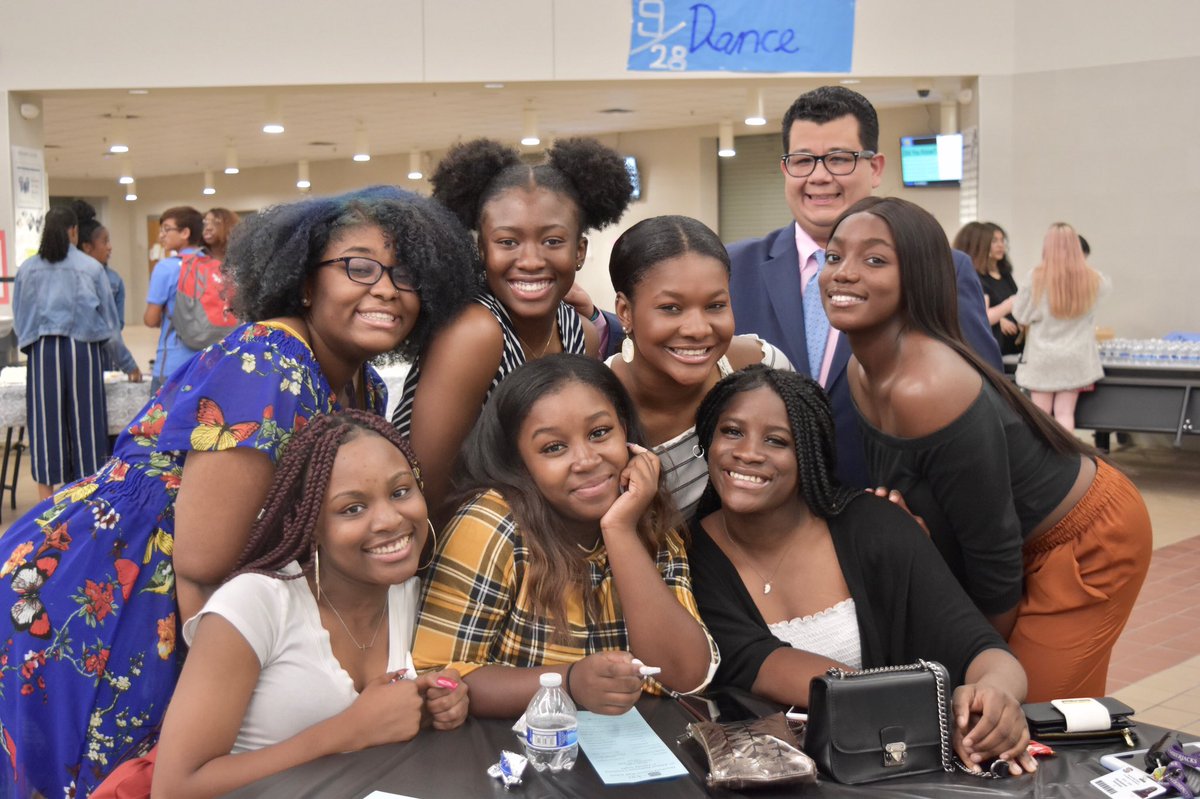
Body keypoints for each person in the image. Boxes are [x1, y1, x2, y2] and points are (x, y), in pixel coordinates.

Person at [0, 186, 478, 797]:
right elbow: (201, 564)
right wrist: (236, 703)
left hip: (167, 579)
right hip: (117, 581)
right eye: (359, 267)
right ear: (305, 281)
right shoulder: (272, 361)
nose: (385, 288)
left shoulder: (362, 386)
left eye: (406, 274)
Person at [819, 196, 1151, 702]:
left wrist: (985, 661)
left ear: (919, 277)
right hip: (1014, 537)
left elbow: (992, 555)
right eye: (834, 256)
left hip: (1088, 537)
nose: (842, 273)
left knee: (1031, 716)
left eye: (875, 259)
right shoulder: (860, 371)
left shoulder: (929, 386)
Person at [687, 366, 1035, 775]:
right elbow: (763, 665)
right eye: (731, 431)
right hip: (779, 780)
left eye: (776, 440)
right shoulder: (692, 557)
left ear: (809, 456)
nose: (747, 452)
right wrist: (934, 713)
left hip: (893, 771)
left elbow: (985, 650)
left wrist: (994, 701)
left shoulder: (875, 527)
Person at [146, 411, 468, 799]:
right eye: (353, 508)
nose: (389, 519)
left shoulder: (412, 596)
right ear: (312, 524)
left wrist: (436, 705)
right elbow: (175, 787)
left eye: (400, 492)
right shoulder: (255, 605)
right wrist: (350, 731)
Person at [727, 85, 1001, 489]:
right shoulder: (733, 267)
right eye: (803, 160)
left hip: (886, 512)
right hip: (759, 515)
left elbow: (982, 406)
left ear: (875, 168)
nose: (819, 176)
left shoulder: (937, 268)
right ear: (785, 170)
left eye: (839, 159)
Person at [413, 354, 718, 717]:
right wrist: (570, 683)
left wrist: (620, 530)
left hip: (626, 752)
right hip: (508, 754)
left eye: (599, 433)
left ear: (627, 433)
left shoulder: (645, 517)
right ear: (519, 463)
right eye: (553, 448)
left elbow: (685, 676)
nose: (586, 460)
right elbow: (439, 677)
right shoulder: (492, 522)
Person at [391, 137, 633, 520]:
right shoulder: (475, 332)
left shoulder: (580, 334)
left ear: (580, 251)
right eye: (508, 241)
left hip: (528, 542)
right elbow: (425, 484)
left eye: (552, 241)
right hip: (453, 544)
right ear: (482, 250)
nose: (531, 260)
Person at [605, 215, 792, 518]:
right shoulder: (592, 403)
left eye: (715, 306)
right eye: (671, 308)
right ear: (625, 312)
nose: (697, 329)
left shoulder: (764, 369)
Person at [12, 204, 122, 500]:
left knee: (46, 425)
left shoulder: (28, 268)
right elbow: (110, 324)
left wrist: (32, 343)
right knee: (86, 423)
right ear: (74, 231)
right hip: (83, 350)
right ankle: (87, 500)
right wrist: (125, 361)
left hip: (42, 350)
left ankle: (46, 504)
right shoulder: (90, 268)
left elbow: (20, 318)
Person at [1013, 223, 1110, 432]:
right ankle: (1068, 460)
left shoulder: (1035, 277)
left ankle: (1041, 461)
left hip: (1042, 357)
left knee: (1040, 414)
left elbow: (1020, 314)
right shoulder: (1095, 279)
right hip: (1076, 357)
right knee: (1066, 413)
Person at [74, 199, 142, 382]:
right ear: (87, 246)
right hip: (100, 356)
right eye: (105, 241)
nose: (110, 247)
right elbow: (113, 329)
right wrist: (128, 364)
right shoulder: (108, 279)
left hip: (90, 356)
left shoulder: (115, 280)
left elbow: (117, 326)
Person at [144, 206, 204, 392]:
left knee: (160, 420)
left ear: (185, 232)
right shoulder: (214, 266)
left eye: (167, 229)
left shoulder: (166, 268)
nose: (161, 235)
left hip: (173, 362)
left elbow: (151, 319)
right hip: (208, 361)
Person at [954, 221, 1022, 356]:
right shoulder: (975, 277)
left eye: (1002, 240)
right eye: (994, 241)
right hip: (995, 348)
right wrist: (1005, 310)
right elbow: (980, 316)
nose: (1000, 245)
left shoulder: (1005, 273)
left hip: (1014, 346)